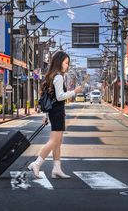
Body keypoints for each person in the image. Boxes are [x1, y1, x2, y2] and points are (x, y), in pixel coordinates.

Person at [27, 51, 83, 179]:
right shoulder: (58, 77)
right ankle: (37, 163)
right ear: (59, 62)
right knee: (54, 141)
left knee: (58, 142)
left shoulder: (52, 76)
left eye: (68, 63)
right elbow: (59, 96)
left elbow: (48, 97)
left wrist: (46, 116)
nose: (67, 66)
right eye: (66, 63)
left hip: (54, 112)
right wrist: (74, 91)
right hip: (57, 112)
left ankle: (57, 169)